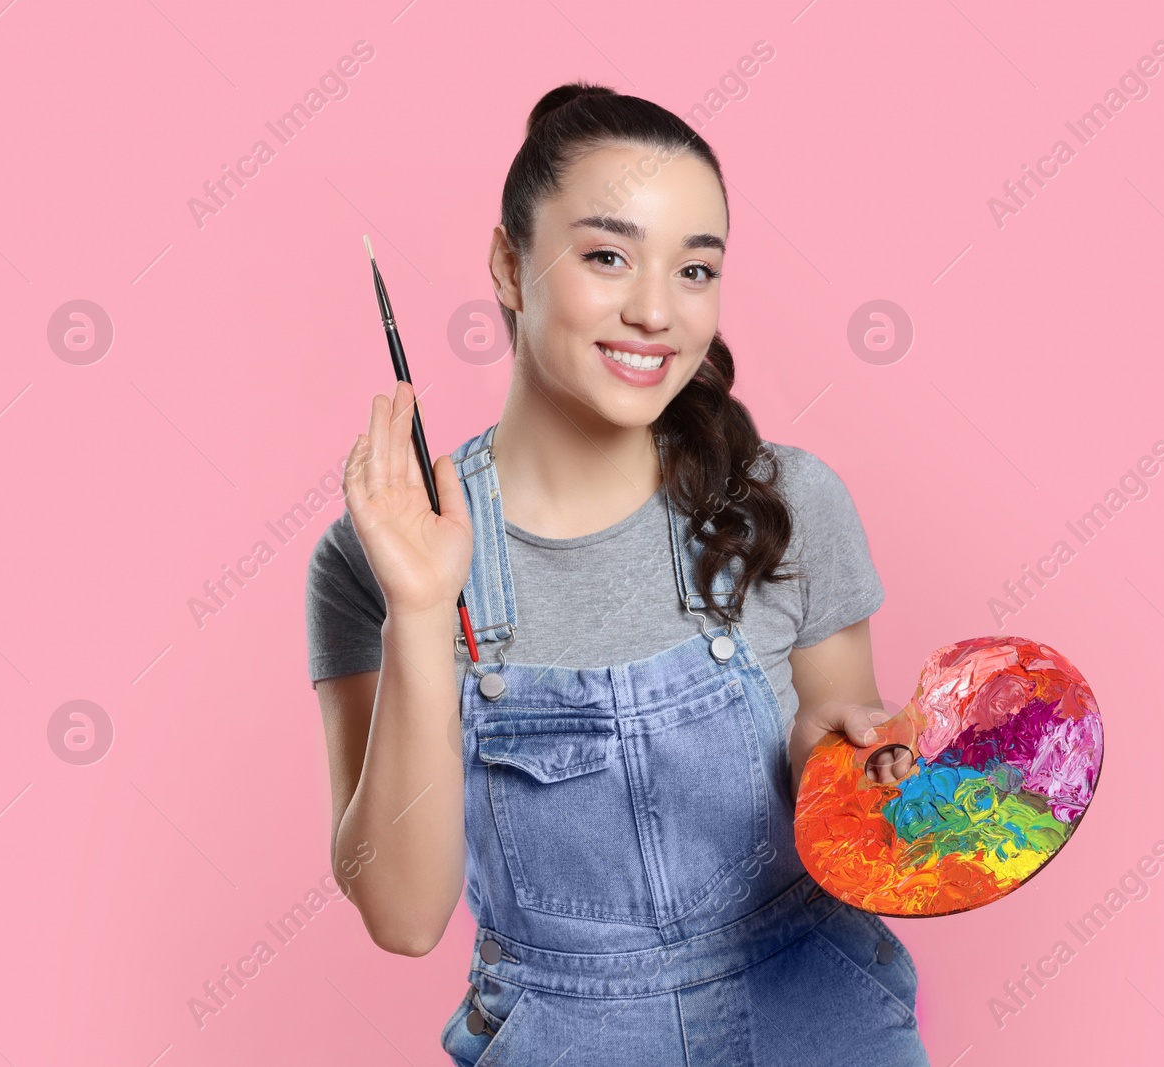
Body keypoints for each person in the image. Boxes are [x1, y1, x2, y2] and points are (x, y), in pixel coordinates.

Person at [305, 80, 928, 1066]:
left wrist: (861, 763)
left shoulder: (791, 500)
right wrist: (421, 612)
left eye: (695, 270)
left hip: (821, 1013)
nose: (654, 311)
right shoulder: (375, 558)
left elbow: (827, 732)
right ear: (511, 265)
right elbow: (403, 914)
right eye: (606, 256)